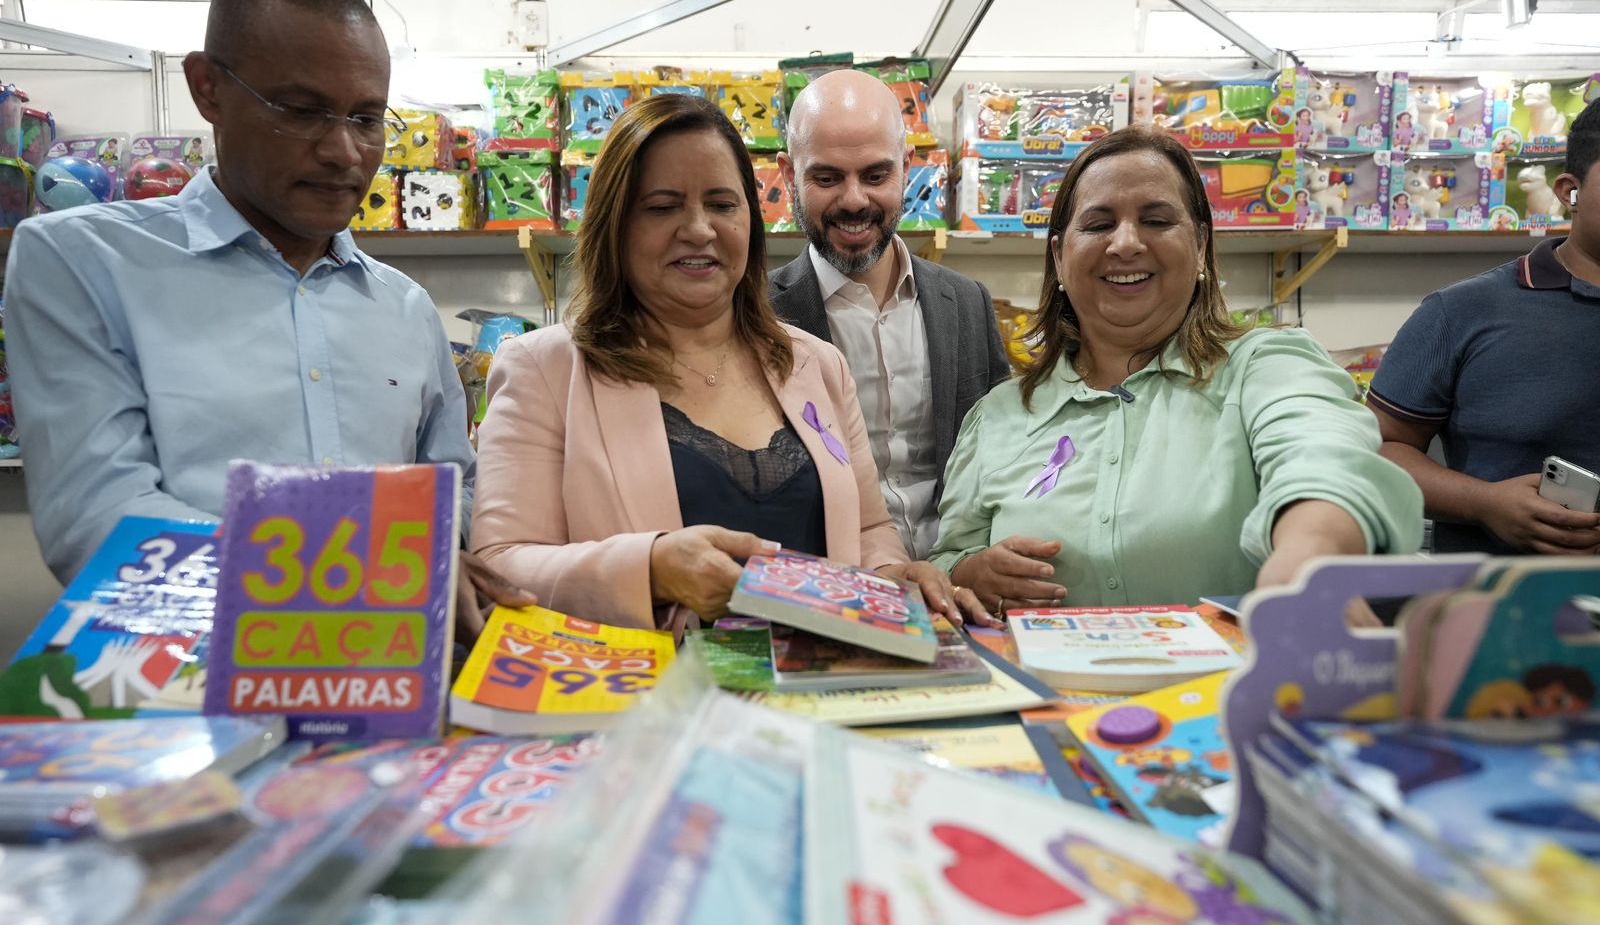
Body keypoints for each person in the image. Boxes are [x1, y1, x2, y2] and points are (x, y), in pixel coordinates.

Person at [4, 0, 491, 608]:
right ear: (208, 88)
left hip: (383, 688)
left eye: (368, 118)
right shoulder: (80, 262)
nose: (344, 152)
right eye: (302, 110)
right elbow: (101, 518)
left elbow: (451, 492)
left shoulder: (403, 307)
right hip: (179, 691)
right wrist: (361, 586)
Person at [471, 94, 984, 631]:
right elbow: (498, 566)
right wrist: (650, 567)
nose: (698, 229)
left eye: (722, 204)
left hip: (819, 697)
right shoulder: (543, 369)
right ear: (615, 224)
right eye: (663, 206)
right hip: (641, 703)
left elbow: (867, 530)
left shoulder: (816, 365)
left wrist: (895, 576)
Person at [928, 126, 1423, 614]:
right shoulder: (998, 416)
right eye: (1098, 224)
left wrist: (1307, 558)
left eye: (1156, 221)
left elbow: (1324, 461)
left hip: (1228, 690)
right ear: (1059, 257)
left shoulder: (1266, 368)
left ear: (1202, 246)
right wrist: (970, 574)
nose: (1125, 243)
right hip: (1043, 691)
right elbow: (948, 561)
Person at [770, 70, 1011, 561]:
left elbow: (1002, 453)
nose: (854, 200)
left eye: (876, 175)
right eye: (827, 177)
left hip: (959, 583)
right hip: (827, 591)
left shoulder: (967, 303)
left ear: (907, 167)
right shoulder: (752, 315)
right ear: (788, 175)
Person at [1369, 98, 1600, 555]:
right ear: (1570, 191)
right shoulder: (1461, 313)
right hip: (1497, 608)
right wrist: (1485, 503)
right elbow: (1377, 450)